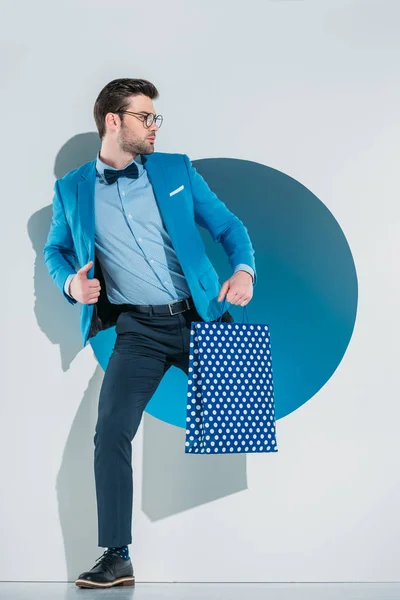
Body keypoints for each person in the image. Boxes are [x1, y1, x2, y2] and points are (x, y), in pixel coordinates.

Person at [44, 77, 257, 589]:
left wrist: (244, 270)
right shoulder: (71, 188)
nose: (155, 126)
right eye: (145, 117)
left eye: (155, 118)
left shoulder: (176, 169)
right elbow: (56, 251)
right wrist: (72, 283)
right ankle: (116, 555)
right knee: (110, 432)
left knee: (246, 421)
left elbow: (228, 227)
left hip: (200, 315)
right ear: (113, 121)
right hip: (137, 328)